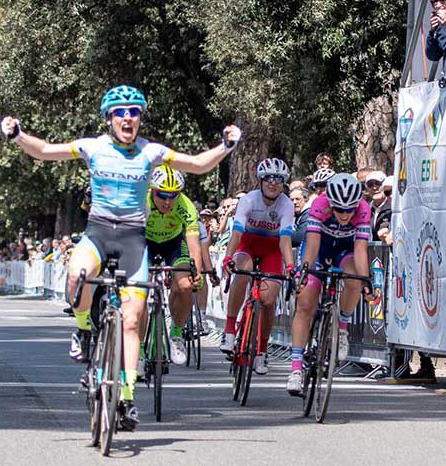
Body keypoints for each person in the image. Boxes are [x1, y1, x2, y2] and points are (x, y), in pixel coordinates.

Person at [0, 85, 240, 431]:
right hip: (98, 233)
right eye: (120, 112)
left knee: (133, 317)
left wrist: (227, 145)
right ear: (109, 118)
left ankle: (126, 396)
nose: (128, 118)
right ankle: (83, 331)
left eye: (134, 112)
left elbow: (199, 165)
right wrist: (18, 135)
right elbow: (46, 151)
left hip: (132, 239)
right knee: (76, 275)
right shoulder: (92, 147)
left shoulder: (151, 152)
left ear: (141, 118)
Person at [286, 173, 371, 395]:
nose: (344, 214)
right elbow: (312, 244)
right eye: (339, 209)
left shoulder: (363, 209)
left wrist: (366, 280)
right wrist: (304, 273)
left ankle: (341, 329)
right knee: (305, 304)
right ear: (330, 203)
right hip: (319, 249)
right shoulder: (319, 205)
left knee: (355, 280)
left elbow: (361, 249)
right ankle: (296, 369)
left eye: (349, 209)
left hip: (345, 250)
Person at [218, 158, 296, 377]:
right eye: (269, 178)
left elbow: (285, 240)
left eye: (278, 179)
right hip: (248, 244)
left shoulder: (287, 205)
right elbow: (237, 233)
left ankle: (261, 351)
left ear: (283, 183)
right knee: (242, 272)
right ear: (261, 180)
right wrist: (228, 257)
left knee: (269, 300)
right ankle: (230, 330)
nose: (273, 183)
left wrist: (290, 265)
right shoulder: (249, 200)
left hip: (272, 249)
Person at [143, 165, 202, 365]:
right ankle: (140, 350)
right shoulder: (142, 201)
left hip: (174, 245)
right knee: (139, 291)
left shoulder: (184, 205)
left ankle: (176, 334)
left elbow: (193, 239)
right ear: (152, 190)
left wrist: (198, 271)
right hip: (145, 244)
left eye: (173, 195)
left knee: (185, 285)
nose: (168, 201)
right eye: (162, 195)